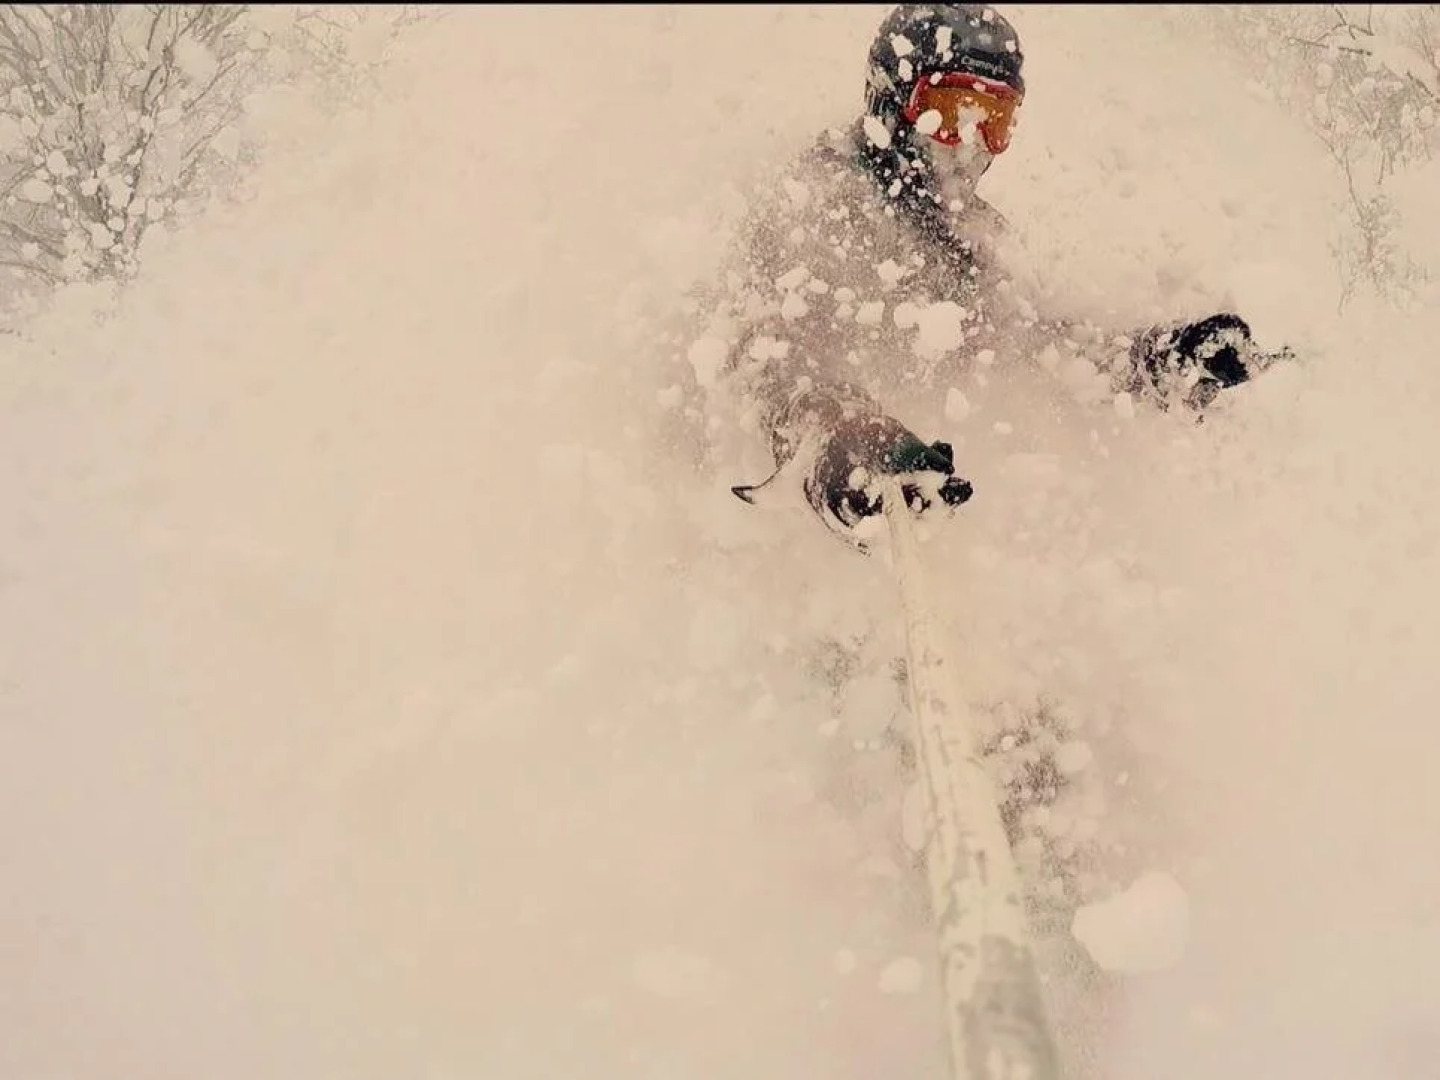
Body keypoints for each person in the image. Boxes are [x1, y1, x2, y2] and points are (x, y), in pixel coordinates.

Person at [689, 3, 1288, 553]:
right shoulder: (816, 202)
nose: (971, 146)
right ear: (891, 102)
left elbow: (1039, 347)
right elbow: (764, 354)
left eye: (994, 119)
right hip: (773, 548)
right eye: (950, 113)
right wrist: (837, 435)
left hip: (908, 537)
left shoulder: (972, 240)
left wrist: (1154, 364)